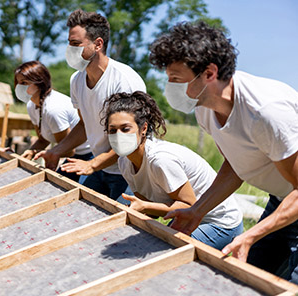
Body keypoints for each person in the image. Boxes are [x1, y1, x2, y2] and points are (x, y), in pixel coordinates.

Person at [149, 21, 298, 283]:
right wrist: (197, 211)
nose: (169, 86)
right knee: (247, 277)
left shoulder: (265, 112)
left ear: (209, 73)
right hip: (284, 200)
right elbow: (234, 165)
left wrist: (251, 234)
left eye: (176, 78)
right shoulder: (204, 109)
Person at [101, 90, 243, 250]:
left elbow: (189, 206)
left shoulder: (160, 160)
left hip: (218, 222)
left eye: (125, 129)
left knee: (167, 252)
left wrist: (145, 208)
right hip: (185, 218)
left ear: (143, 128)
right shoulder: (124, 162)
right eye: (113, 130)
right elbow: (148, 207)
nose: (118, 135)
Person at [34, 9, 146, 201]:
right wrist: (55, 152)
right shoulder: (76, 80)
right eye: (69, 43)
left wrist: (93, 164)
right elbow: (85, 124)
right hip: (99, 166)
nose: (70, 50)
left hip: (128, 171)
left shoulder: (124, 81)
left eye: (76, 44)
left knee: (119, 228)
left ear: (98, 44)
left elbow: (132, 139)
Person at [14, 61, 92, 183]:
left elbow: (68, 150)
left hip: (88, 154)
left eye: (24, 83)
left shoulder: (53, 109)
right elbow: (43, 139)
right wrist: (31, 151)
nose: (19, 87)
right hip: (73, 154)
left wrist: (46, 153)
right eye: (17, 83)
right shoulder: (32, 106)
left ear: (39, 83)